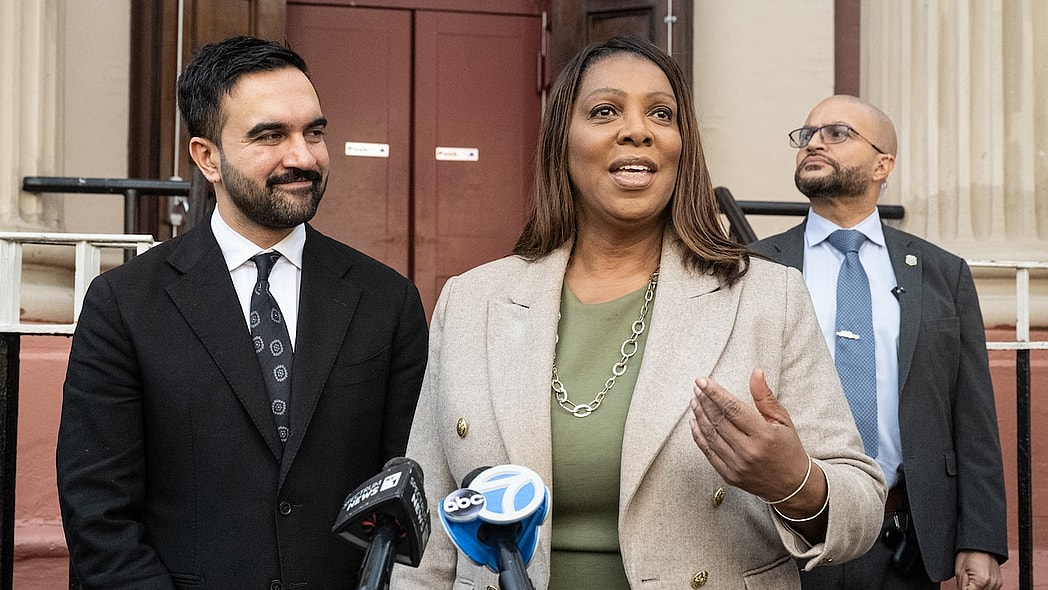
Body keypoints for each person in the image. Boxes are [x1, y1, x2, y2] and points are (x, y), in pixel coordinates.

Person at [391, 36, 884, 589]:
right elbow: (429, 530)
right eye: (605, 111)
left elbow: (862, 506)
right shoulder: (470, 302)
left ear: (681, 144)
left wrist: (795, 482)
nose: (637, 129)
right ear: (562, 142)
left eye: (661, 113)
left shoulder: (769, 298)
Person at [56, 36, 428, 589]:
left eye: (314, 132)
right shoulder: (124, 305)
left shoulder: (386, 300)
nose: (303, 156)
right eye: (270, 135)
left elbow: (407, 495)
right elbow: (99, 516)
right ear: (207, 157)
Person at [750, 94, 1008, 590]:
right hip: (780, 540)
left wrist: (979, 535)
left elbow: (971, 412)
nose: (813, 143)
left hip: (900, 545)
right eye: (806, 135)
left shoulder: (942, 273)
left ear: (882, 165)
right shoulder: (754, 266)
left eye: (836, 133)